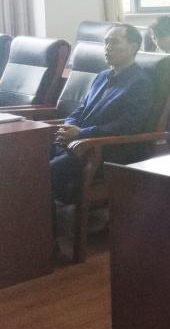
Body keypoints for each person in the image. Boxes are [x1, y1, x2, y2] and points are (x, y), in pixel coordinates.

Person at [50, 24, 153, 204]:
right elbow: (82, 108)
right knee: (27, 156)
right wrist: (69, 125)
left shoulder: (140, 83)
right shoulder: (102, 76)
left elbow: (128, 126)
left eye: (115, 42)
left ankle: (47, 217)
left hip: (104, 150)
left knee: (45, 172)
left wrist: (82, 133)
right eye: (106, 42)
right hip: (78, 143)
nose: (108, 48)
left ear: (133, 47)